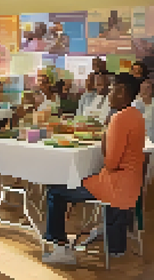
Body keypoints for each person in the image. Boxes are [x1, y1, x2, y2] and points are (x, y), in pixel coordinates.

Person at [43, 73, 145, 264]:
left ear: (122, 91)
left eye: (112, 89)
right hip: (132, 183)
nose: (108, 95)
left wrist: (106, 135)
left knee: (55, 191)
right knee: (79, 180)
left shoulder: (119, 118)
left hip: (115, 186)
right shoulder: (136, 115)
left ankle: (60, 247)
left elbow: (111, 164)